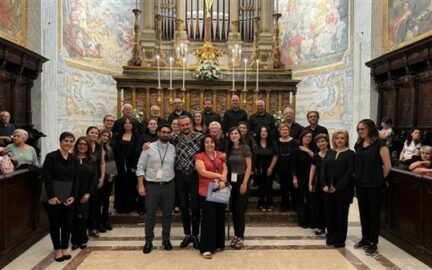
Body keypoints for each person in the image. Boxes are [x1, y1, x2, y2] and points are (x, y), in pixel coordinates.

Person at [137, 124, 177, 254]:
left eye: (168, 132)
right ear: (158, 133)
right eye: (163, 132)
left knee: (167, 215)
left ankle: (166, 239)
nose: (166, 134)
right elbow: (140, 167)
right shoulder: (148, 147)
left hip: (168, 186)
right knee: (150, 215)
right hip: (152, 186)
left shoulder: (173, 148)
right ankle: (148, 240)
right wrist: (141, 185)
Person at [354, 119, 391, 256]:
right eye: (359, 129)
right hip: (360, 184)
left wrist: (378, 179)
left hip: (374, 185)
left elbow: (387, 166)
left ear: (370, 128)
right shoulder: (358, 145)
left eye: (362, 128)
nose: (360, 131)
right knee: (363, 213)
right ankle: (365, 238)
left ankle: (373, 242)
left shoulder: (380, 145)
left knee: (373, 214)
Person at [40, 132, 78, 262]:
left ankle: (64, 247)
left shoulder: (74, 159)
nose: (69, 143)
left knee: (67, 223)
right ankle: (57, 249)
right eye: (66, 141)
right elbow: (47, 177)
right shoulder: (51, 156)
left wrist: (73, 196)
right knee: (55, 223)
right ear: (60, 142)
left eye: (71, 141)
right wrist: (52, 196)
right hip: (52, 197)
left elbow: (76, 179)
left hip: (68, 196)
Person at [171, 116, 204, 249]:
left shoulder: (200, 137)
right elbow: (161, 143)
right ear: (179, 126)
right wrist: (147, 146)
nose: (185, 127)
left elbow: (209, 150)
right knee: (183, 206)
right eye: (182, 125)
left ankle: (196, 234)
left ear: (191, 124)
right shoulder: (174, 138)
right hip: (180, 175)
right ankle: (187, 234)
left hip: (195, 175)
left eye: (187, 124)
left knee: (195, 206)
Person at [321, 130, 355, 248]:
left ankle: (340, 239)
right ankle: (331, 237)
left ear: (346, 139)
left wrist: (338, 187)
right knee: (330, 214)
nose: (339, 140)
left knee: (341, 215)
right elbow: (323, 169)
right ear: (334, 140)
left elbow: (349, 172)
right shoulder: (329, 152)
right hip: (327, 190)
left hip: (343, 190)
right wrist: (323, 184)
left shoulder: (351, 154)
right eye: (337, 138)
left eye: (342, 138)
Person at [195, 135, 228, 259]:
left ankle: (218, 244)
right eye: (207, 142)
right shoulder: (200, 156)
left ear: (215, 143)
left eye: (212, 142)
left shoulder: (220, 154)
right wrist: (220, 177)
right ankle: (206, 248)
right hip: (206, 191)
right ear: (203, 144)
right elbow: (203, 172)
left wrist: (223, 179)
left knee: (219, 217)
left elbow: (225, 168)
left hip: (220, 189)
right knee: (208, 220)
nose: (209, 144)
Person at [226, 127, 252, 250]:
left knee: (239, 210)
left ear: (240, 135)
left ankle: (240, 236)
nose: (234, 135)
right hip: (231, 182)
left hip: (242, 181)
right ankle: (236, 235)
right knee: (233, 209)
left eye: (236, 133)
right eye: (231, 133)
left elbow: (249, 167)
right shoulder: (228, 148)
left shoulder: (245, 148)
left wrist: (245, 183)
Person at [71, 137, 97, 250]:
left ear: (88, 147)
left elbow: (94, 177)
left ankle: (83, 239)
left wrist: (88, 193)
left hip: (85, 192)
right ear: (76, 145)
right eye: (80, 144)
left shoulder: (92, 159)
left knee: (83, 217)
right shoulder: (71, 159)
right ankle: (74, 240)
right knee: (72, 217)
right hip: (72, 193)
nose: (82, 146)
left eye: (85, 145)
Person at [112, 118, 139, 214]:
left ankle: (130, 206)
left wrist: (134, 166)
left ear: (133, 125)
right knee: (120, 185)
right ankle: (119, 206)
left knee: (130, 185)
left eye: (130, 123)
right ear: (123, 125)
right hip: (119, 164)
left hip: (131, 164)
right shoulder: (118, 136)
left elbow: (137, 153)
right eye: (125, 123)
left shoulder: (136, 136)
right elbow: (114, 151)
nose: (127, 124)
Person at [135, 119, 159, 215]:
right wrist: (143, 148)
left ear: (157, 126)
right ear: (148, 126)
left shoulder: (159, 136)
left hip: (157, 166)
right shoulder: (143, 137)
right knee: (143, 186)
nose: (153, 125)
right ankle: (141, 207)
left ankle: (154, 206)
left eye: (154, 124)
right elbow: (137, 151)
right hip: (145, 166)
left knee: (155, 187)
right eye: (151, 124)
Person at [86, 126, 106, 237]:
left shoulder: (100, 147)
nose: (94, 134)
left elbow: (102, 163)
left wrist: (102, 177)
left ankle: (93, 226)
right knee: (85, 204)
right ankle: (84, 227)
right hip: (85, 178)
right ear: (87, 133)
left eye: (95, 133)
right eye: (92, 132)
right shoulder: (83, 145)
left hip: (96, 177)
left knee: (95, 203)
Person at [308, 133, 329, 235]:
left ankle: (330, 227)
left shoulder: (332, 153)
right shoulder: (316, 155)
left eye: (323, 141)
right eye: (319, 142)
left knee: (328, 207)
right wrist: (310, 183)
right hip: (317, 184)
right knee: (319, 206)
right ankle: (321, 227)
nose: (321, 143)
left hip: (328, 184)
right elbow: (312, 170)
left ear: (327, 142)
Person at [293, 129, 314, 228]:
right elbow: (293, 166)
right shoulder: (296, 149)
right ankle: (302, 221)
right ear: (302, 137)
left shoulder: (313, 149)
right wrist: (294, 178)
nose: (307, 138)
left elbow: (317, 159)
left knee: (310, 199)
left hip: (313, 178)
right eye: (306, 136)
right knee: (301, 199)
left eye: (310, 137)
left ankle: (311, 220)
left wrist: (308, 151)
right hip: (300, 177)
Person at [274, 123, 298, 212]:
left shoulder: (294, 142)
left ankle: (294, 205)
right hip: (281, 168)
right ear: (279, 132)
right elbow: (276, 155)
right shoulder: (276, 142)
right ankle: (285, 204)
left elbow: (296, 156)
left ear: (289, 131)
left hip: (292, 167)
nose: (284, 131)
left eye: (286, 130)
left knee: (293, 187)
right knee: (283, 188)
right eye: (282, 130)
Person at [255, 126, 278, 211]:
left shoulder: (272, 143)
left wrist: (271, 168)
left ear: (268, 133)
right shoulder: (256, 142)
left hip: (270, 167)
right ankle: (261, 203)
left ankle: (269, 203)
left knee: (269, 185)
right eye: (261, 131)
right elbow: (254, 156)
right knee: (261, 186)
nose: (263, 133)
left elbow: (275, 156)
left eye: (265, 131)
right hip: (259, 168)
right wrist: (255, 168)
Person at [98, 129, 116, 231]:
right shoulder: (96, 148)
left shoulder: (109, 148)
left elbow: (111, 160)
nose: (105, 138)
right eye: (103, 135)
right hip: (99, 178)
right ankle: (99, 222)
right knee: (98, 201)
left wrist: (112, 173)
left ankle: (105, 220)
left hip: (108, 178)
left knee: (105, 200)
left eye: (107, 136)